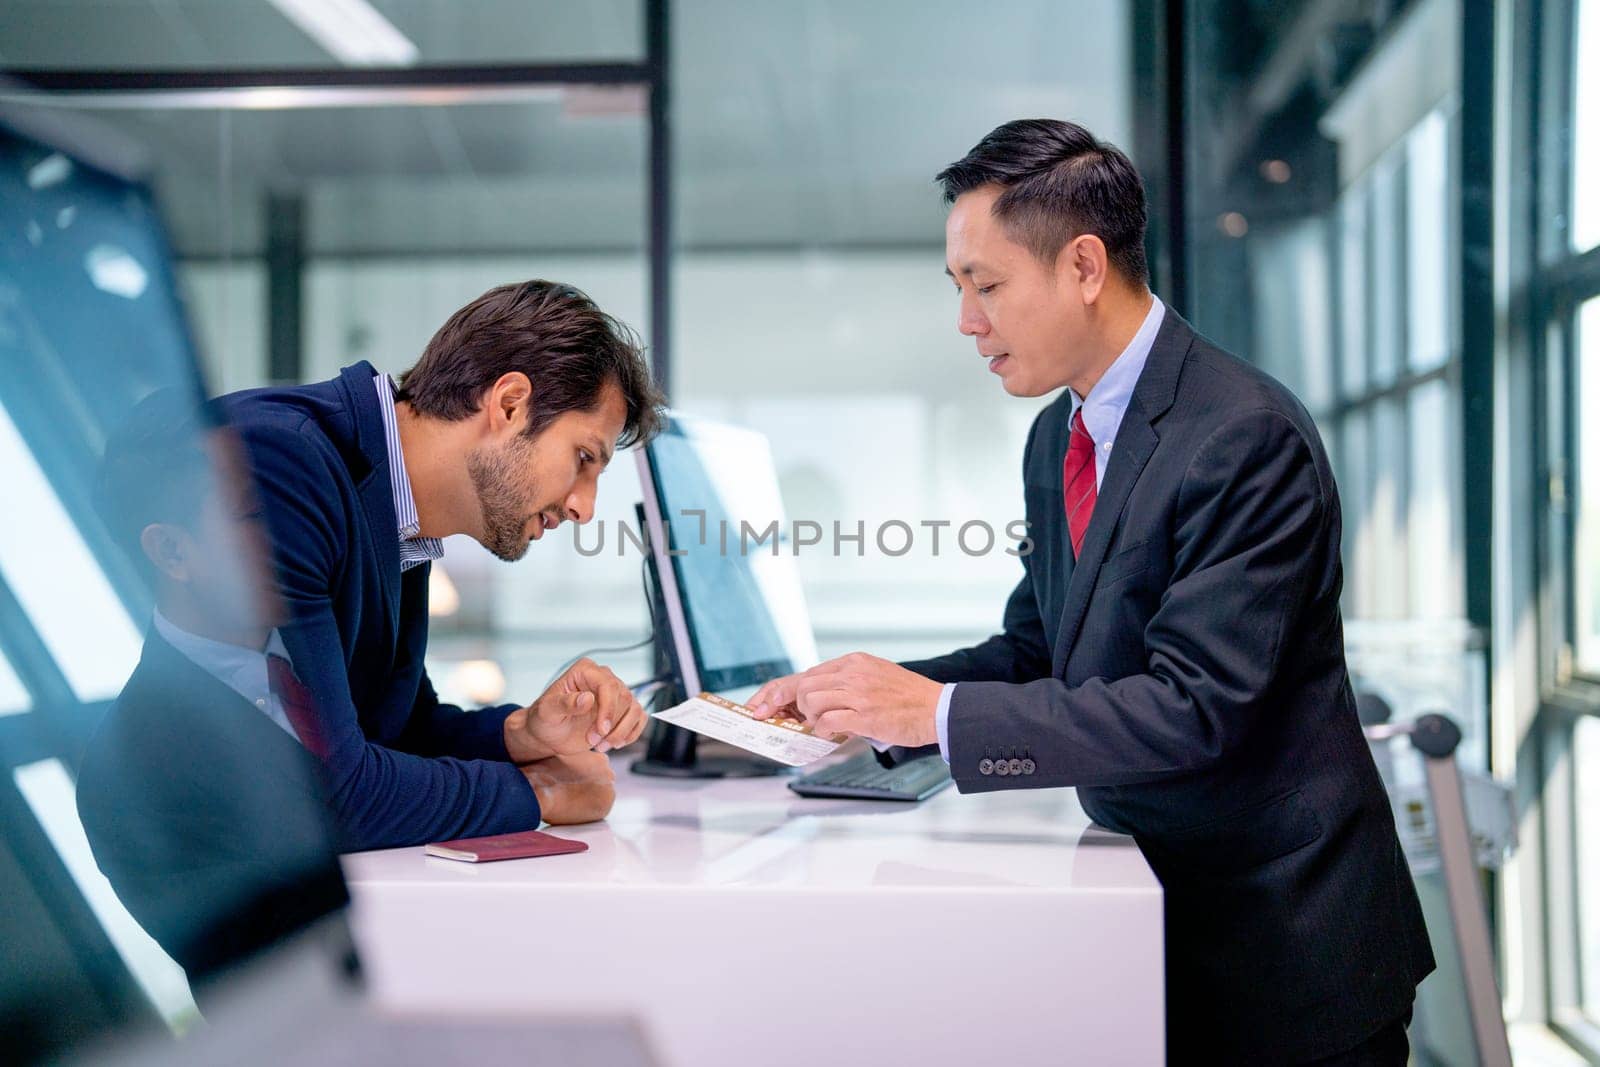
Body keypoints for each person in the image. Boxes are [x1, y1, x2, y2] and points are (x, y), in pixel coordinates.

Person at [750, 120, 1434, 1064]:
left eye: (985, 285)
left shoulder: (1243, 435)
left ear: (1082, 265)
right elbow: (1040, 649)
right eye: (958, 288)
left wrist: (937, 715)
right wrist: (868, 696)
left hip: (1281, 948)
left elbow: (1195, 708)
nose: (966, 321)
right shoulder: (1058, 434)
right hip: (1156, 915)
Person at [218, 280, 663, 850]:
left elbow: (393, 730)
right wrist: (539, 793)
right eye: (583, 459)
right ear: (508, 405)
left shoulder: (399, 512)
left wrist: (522, 732)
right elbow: (320, 791)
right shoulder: (281, 464)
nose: (584, 507)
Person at [78, 391, 347, 980]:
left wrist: (518, 733)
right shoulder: (128, 779)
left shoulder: (338, 633)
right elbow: (276, 967)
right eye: (256, 514)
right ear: (173, 550)